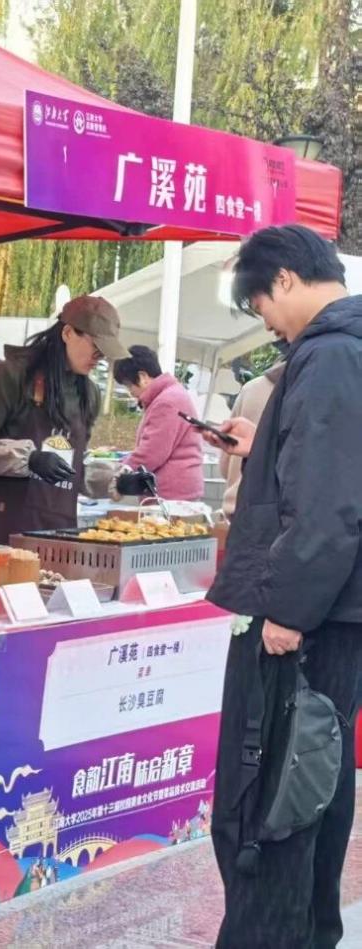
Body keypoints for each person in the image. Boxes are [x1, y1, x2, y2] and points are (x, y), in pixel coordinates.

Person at [202, 225, 362, 949]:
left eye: (259, 302)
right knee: (314, 781)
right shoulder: (344, 349)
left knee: (272, 792)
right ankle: (308, 932)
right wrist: (260, 447)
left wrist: (287, 610)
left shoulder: (330, 354)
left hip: (312, 616)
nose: (264, 320)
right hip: (338, 611)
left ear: (287, 279)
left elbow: (327, 506)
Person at [0, 296, 130, 543]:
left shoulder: (89, 394)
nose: (100, 356)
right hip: (2, 528)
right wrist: (29, 459)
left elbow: (74, 470)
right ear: (68, 333)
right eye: (96, 346)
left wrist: (120, 482)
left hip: (58, 530)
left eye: (105, 351)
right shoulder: (10, 376)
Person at [110, 345, 204, 501]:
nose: (130, 392)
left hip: (172, 495)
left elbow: (151, 452)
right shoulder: (169, 396)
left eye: (129, 385)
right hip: (176, 491)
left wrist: (121, 473)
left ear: (142, 377)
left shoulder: (166, 402)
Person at [220, 344, 287, 516]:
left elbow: (224, 466)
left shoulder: (251, 389)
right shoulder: (308, 392)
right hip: (276, 515)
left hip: (236, 507)